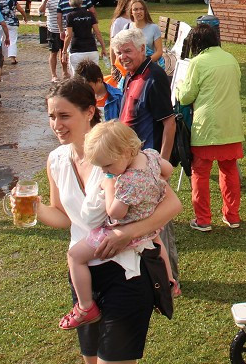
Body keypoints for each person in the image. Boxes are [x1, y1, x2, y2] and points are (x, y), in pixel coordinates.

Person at [33, 78, 181, 364]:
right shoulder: (56, 160)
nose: (56, 124)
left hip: (128, 272)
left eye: (64, 115)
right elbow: (64, 217)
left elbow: (173, 204)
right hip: (85, 276)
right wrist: (35, 208)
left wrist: (127, 233)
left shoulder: (116, 153)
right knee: (90, 359)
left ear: (89, 112)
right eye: (52, 116)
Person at [63, 120, 177, 330]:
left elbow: (115, 212)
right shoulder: (151, 155)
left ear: (125, 152)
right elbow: (168, 170)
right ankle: (169, 280)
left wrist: (109, 187)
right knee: (158, 244)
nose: (107, 171)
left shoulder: (127, 182)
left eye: (107, 166)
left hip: (123, 230)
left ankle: (85, 306)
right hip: (148, 226)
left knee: (75, 256)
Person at [176, 24, 245, 232]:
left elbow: (186, 96)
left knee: (200, 173)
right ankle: (232, 216)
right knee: (229, 170)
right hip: (230, 125)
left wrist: (178, 87)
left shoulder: (197, 62)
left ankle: (203, 219)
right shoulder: (231, 59)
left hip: (206, 126)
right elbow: (237, 86)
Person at [112, 27, 175, 157]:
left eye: (128, 51)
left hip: (147, 159)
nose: (122, 57)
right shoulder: (130, 74)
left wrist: (162, 164)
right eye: (119, 53)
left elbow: (169, 122)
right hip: (128, 156)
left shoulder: (154, 77)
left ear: (142, 49)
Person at [64, 0, 105, 72]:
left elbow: (68, 35)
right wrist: (103, 48)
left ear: (70, 3)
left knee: (77, 79)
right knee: (93, 76)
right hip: (91, 49)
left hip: (77, 50)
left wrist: (64, 51)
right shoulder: (90, 14)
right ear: (81, 2)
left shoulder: (70, 16)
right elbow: (97, 32)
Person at [40, 0, 68, 82]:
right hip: (53, 29)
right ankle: (54, 75)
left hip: (64, 29)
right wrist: (45, 1)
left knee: (64, 52)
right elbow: (41, 11)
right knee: (53, 52)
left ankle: (65, 72)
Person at [128, 0, 166, 66]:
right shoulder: (127, 28)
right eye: (135, 9)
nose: (139, 12)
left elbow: (159, 52)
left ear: (145, 11)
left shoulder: (154, 28)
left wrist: (145, 63)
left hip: (148, 65)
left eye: (141, 9)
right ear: (131, 12)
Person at [0, 0, 26, 65]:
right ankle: (12, 58)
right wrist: (25, 17)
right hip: (12, 23)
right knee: (12, 40)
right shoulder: (12, 2)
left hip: (0, 24)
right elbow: (21, 10)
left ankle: (1, 57)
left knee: (1, 40)